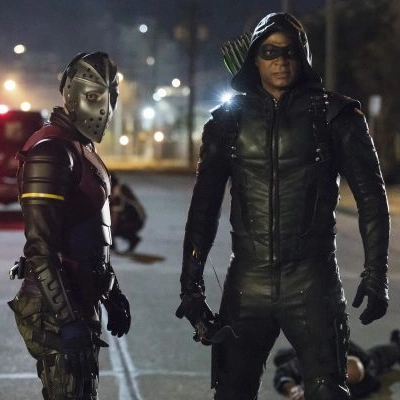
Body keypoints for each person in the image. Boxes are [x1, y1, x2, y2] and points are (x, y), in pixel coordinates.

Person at [175, 12, 390, 400]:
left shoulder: (337, 116)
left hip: (312, 282)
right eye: (270, 52)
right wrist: (190, 286)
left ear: (303, 57)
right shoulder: (227, 122)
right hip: (247, 283)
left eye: (290, 51)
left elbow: (372, 200)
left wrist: (377, 273)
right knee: (232, 393)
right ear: (254, 58)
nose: (281, 61)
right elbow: (203, 209)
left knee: (327, 392)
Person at [7, 52, 131, 400]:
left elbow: (90, 236)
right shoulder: (52, 151)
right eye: (93, 95)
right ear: (70, 94)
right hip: (56, 307)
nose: (104, 106)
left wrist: (112, 291)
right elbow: (40, 250)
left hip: (77, 299)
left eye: (109, 95)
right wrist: (69, 320)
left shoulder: (79, 148)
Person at [273, 330, 400, 399]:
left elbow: (373, 384)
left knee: (381, 357)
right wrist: (291, 388)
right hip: (360, 358)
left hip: (366, 364)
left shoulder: (360, 383)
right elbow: (283, 374)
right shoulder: (311, 360)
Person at [110, 173, 146, 253]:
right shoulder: (120, 189)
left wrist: (110, 236)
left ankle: (132, 239)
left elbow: (114, 217)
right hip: (130, 219)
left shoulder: (118, 195)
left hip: (134, 221)